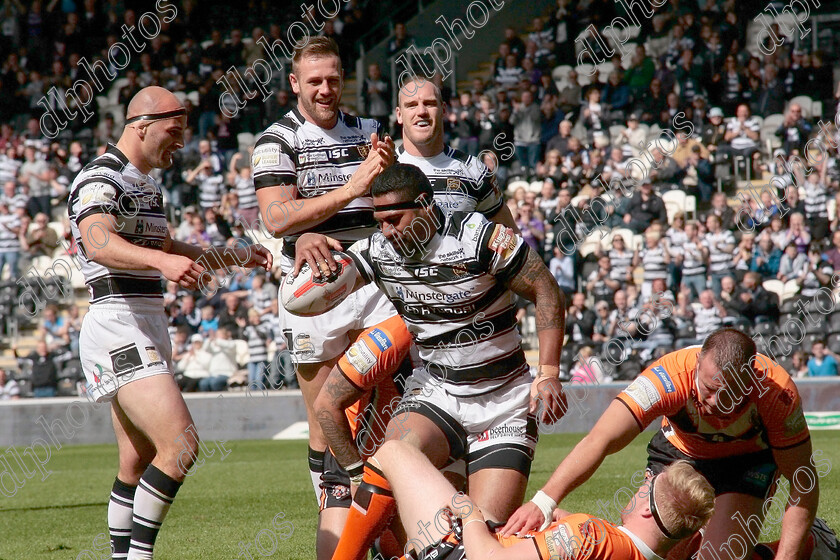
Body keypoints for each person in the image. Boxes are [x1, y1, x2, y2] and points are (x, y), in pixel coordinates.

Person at [294, 163, 567, 560]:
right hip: (437, 392)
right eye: (379, 222)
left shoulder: (479, 237)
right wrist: (305, 239)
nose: (385, 231)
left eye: (394, 220)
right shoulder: (380, 250)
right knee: (389, 458)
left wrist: (549, 373)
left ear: (424, 205)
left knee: (480, 541)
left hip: (504, 403)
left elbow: (544, 285)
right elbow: (322, 280)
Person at [68, 86, 272, 559]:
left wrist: (232, 256)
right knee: (180, 446)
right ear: (141, 124)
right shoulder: (101, 177)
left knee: (136, 460)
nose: (181, 141)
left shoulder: (145, 184)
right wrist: (160, 265)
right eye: (174, 131)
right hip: (118, 319)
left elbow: (167, 249)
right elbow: (98, 241)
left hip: (145, 318)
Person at [250, 37, 396, 560]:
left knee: (380, 406)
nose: (325, 88)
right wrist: (308, 226)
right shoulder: (275, 141)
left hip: (375, 281)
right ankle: (336, 532)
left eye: (333, 78)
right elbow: (276, 217)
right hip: (314, 285)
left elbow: (393, 198)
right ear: (295, 83)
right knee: (324, 420)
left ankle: (382, 525)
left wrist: (383, 174)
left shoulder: (368, 131)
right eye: (314, 80)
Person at [503, 328, 821, 560]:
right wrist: (543, 502)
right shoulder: (668, 375)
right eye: (708, 389)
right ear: (697, 365)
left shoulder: (778, 395)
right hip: (680, 457)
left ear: (749, 383)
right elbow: (600, 439)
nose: (713, 403)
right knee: (647, 552)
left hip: (747, 464)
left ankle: (812, 543)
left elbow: (803, 481)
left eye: (728, 395)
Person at [370, 439, 716, 560]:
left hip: (458, 552)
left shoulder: (591, 534)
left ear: (645, 508)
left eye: (648, 485)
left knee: (394, 451)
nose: (642, 484)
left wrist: (469, 511)